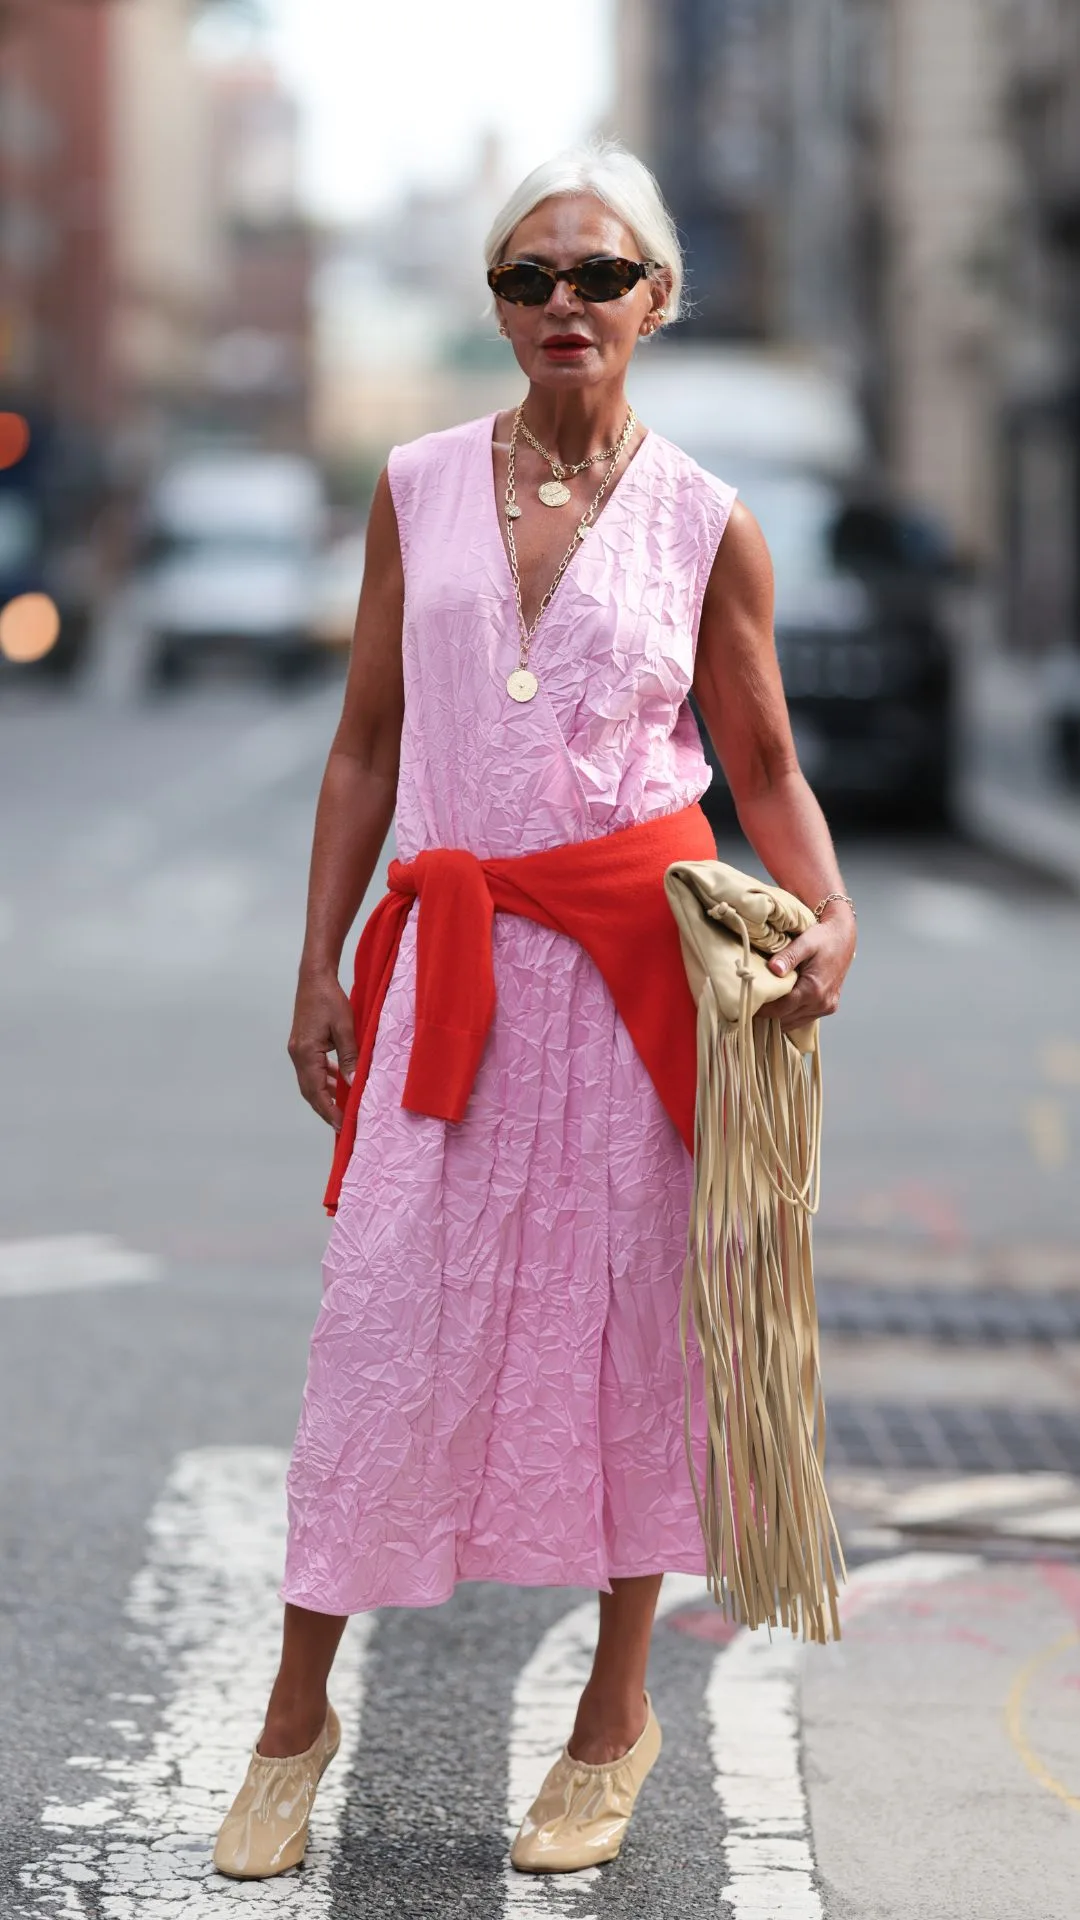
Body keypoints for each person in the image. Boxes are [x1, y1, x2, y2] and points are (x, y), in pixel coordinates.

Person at [212, 139, 857, 1883]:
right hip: (453, 967)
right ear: (497, 306)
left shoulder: (711, 518)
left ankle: (613, 1715)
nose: (563, 305)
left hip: (642, 981)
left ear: (655, 298)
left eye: (596, 276)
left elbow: (766, 761)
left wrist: (832, 908)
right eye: (527, 279)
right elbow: (362, 742)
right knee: (382, 1332)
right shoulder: (417, 483)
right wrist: (323, 956)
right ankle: (292, 1719)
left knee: (632, 1338)